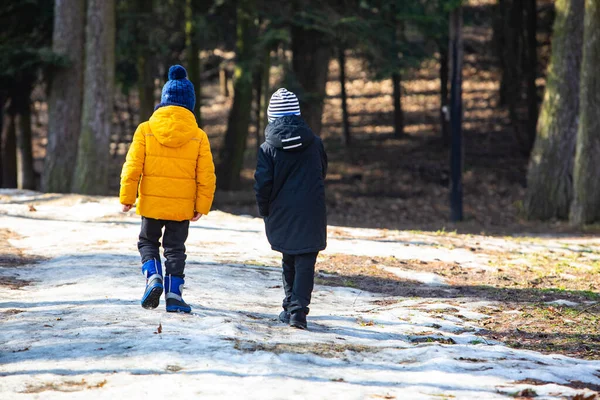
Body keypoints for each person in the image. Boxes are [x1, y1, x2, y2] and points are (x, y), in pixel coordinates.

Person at [120, 65, 216, 314]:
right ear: (190, 104)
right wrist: (201, 205)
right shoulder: (198, 135)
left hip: (151, 204)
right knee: (175, 249)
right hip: (181, 207)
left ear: (164, 101)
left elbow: (132, 166)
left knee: (148, 242)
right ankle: (174, 295)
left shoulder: (145, 129)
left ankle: (153, 277)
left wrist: (127, 198)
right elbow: (206, 175)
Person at [254, 88, 328, 330]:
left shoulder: (268, 148)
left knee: (289, 258)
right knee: (306, 260)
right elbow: (322, 172)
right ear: (297, 114)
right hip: (311, 211)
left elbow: (262, 184)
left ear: (271, 116)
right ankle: (297, 311)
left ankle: (290, 305)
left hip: (282, 212)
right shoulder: (315, 143)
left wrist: (264, 209)